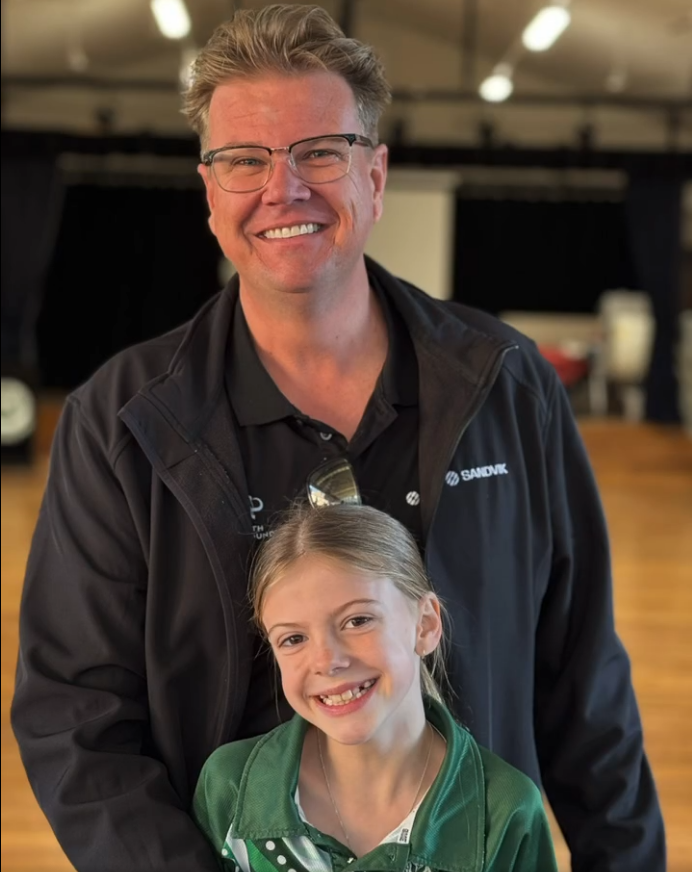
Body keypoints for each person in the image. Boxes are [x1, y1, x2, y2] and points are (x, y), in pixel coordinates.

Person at [11, 5, 664, 871]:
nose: (285, 188)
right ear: (210, 193)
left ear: (376, 175)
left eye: (321, 151)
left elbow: (584, 682)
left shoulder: (508, 385)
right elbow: (76, 716)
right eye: (246, 159)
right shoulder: (119, 421)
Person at [193, 502, 559, 869]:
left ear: (426, 625)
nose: (326, 661)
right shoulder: (230, 787)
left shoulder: (506, 811)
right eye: (293, 639)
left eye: (358, 620)